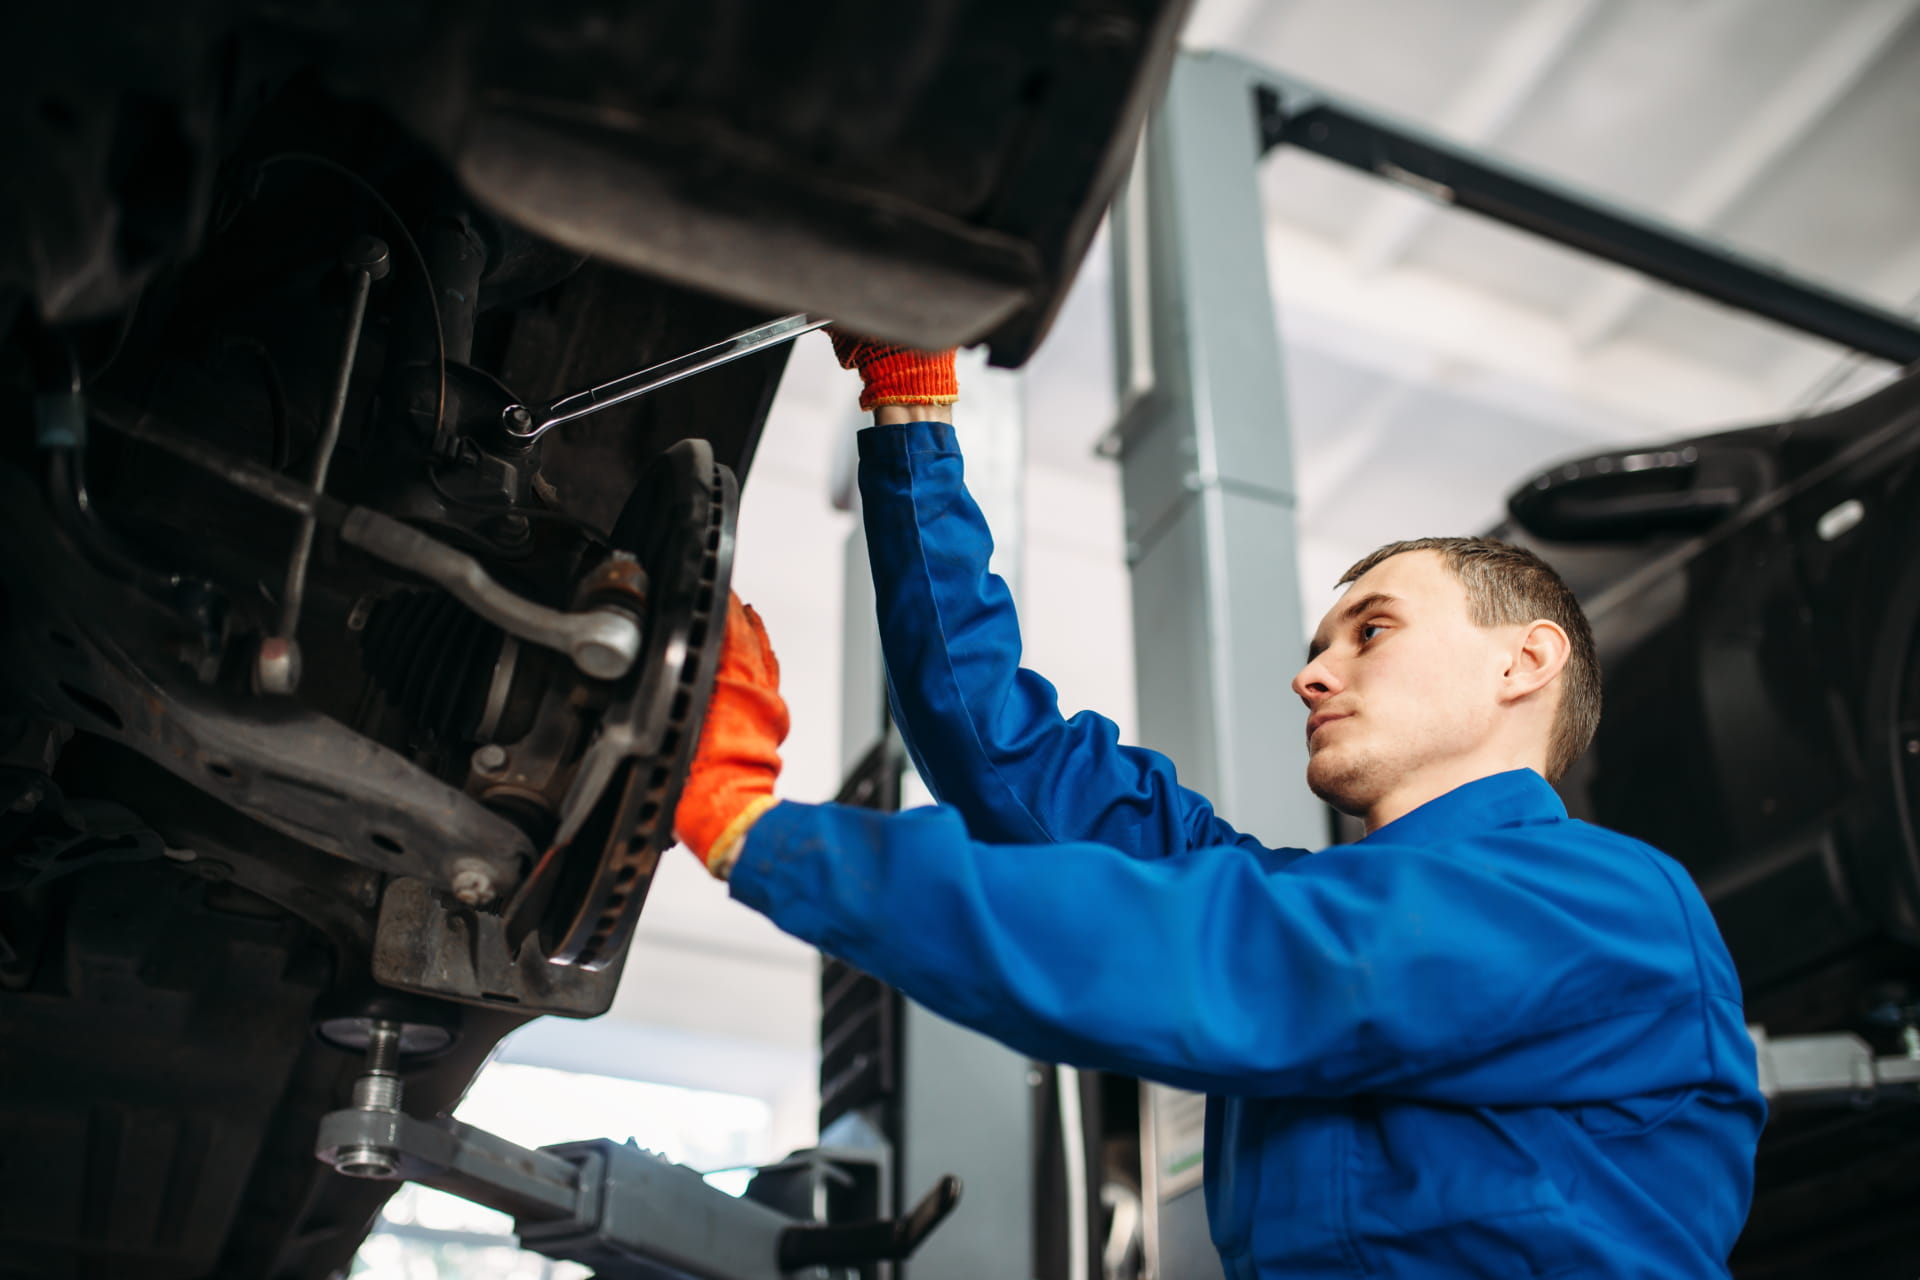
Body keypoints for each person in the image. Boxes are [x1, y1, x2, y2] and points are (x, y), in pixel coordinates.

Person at [672, 340, 1765, 1279]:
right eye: (1313, 648)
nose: (1312, 674)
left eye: (1370, 630)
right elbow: (1003, 750)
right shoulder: (1314, 900)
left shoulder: (1610, 903)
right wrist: (912, 406)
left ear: (1526, 660)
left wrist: (762, 833)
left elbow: (1231, 953)